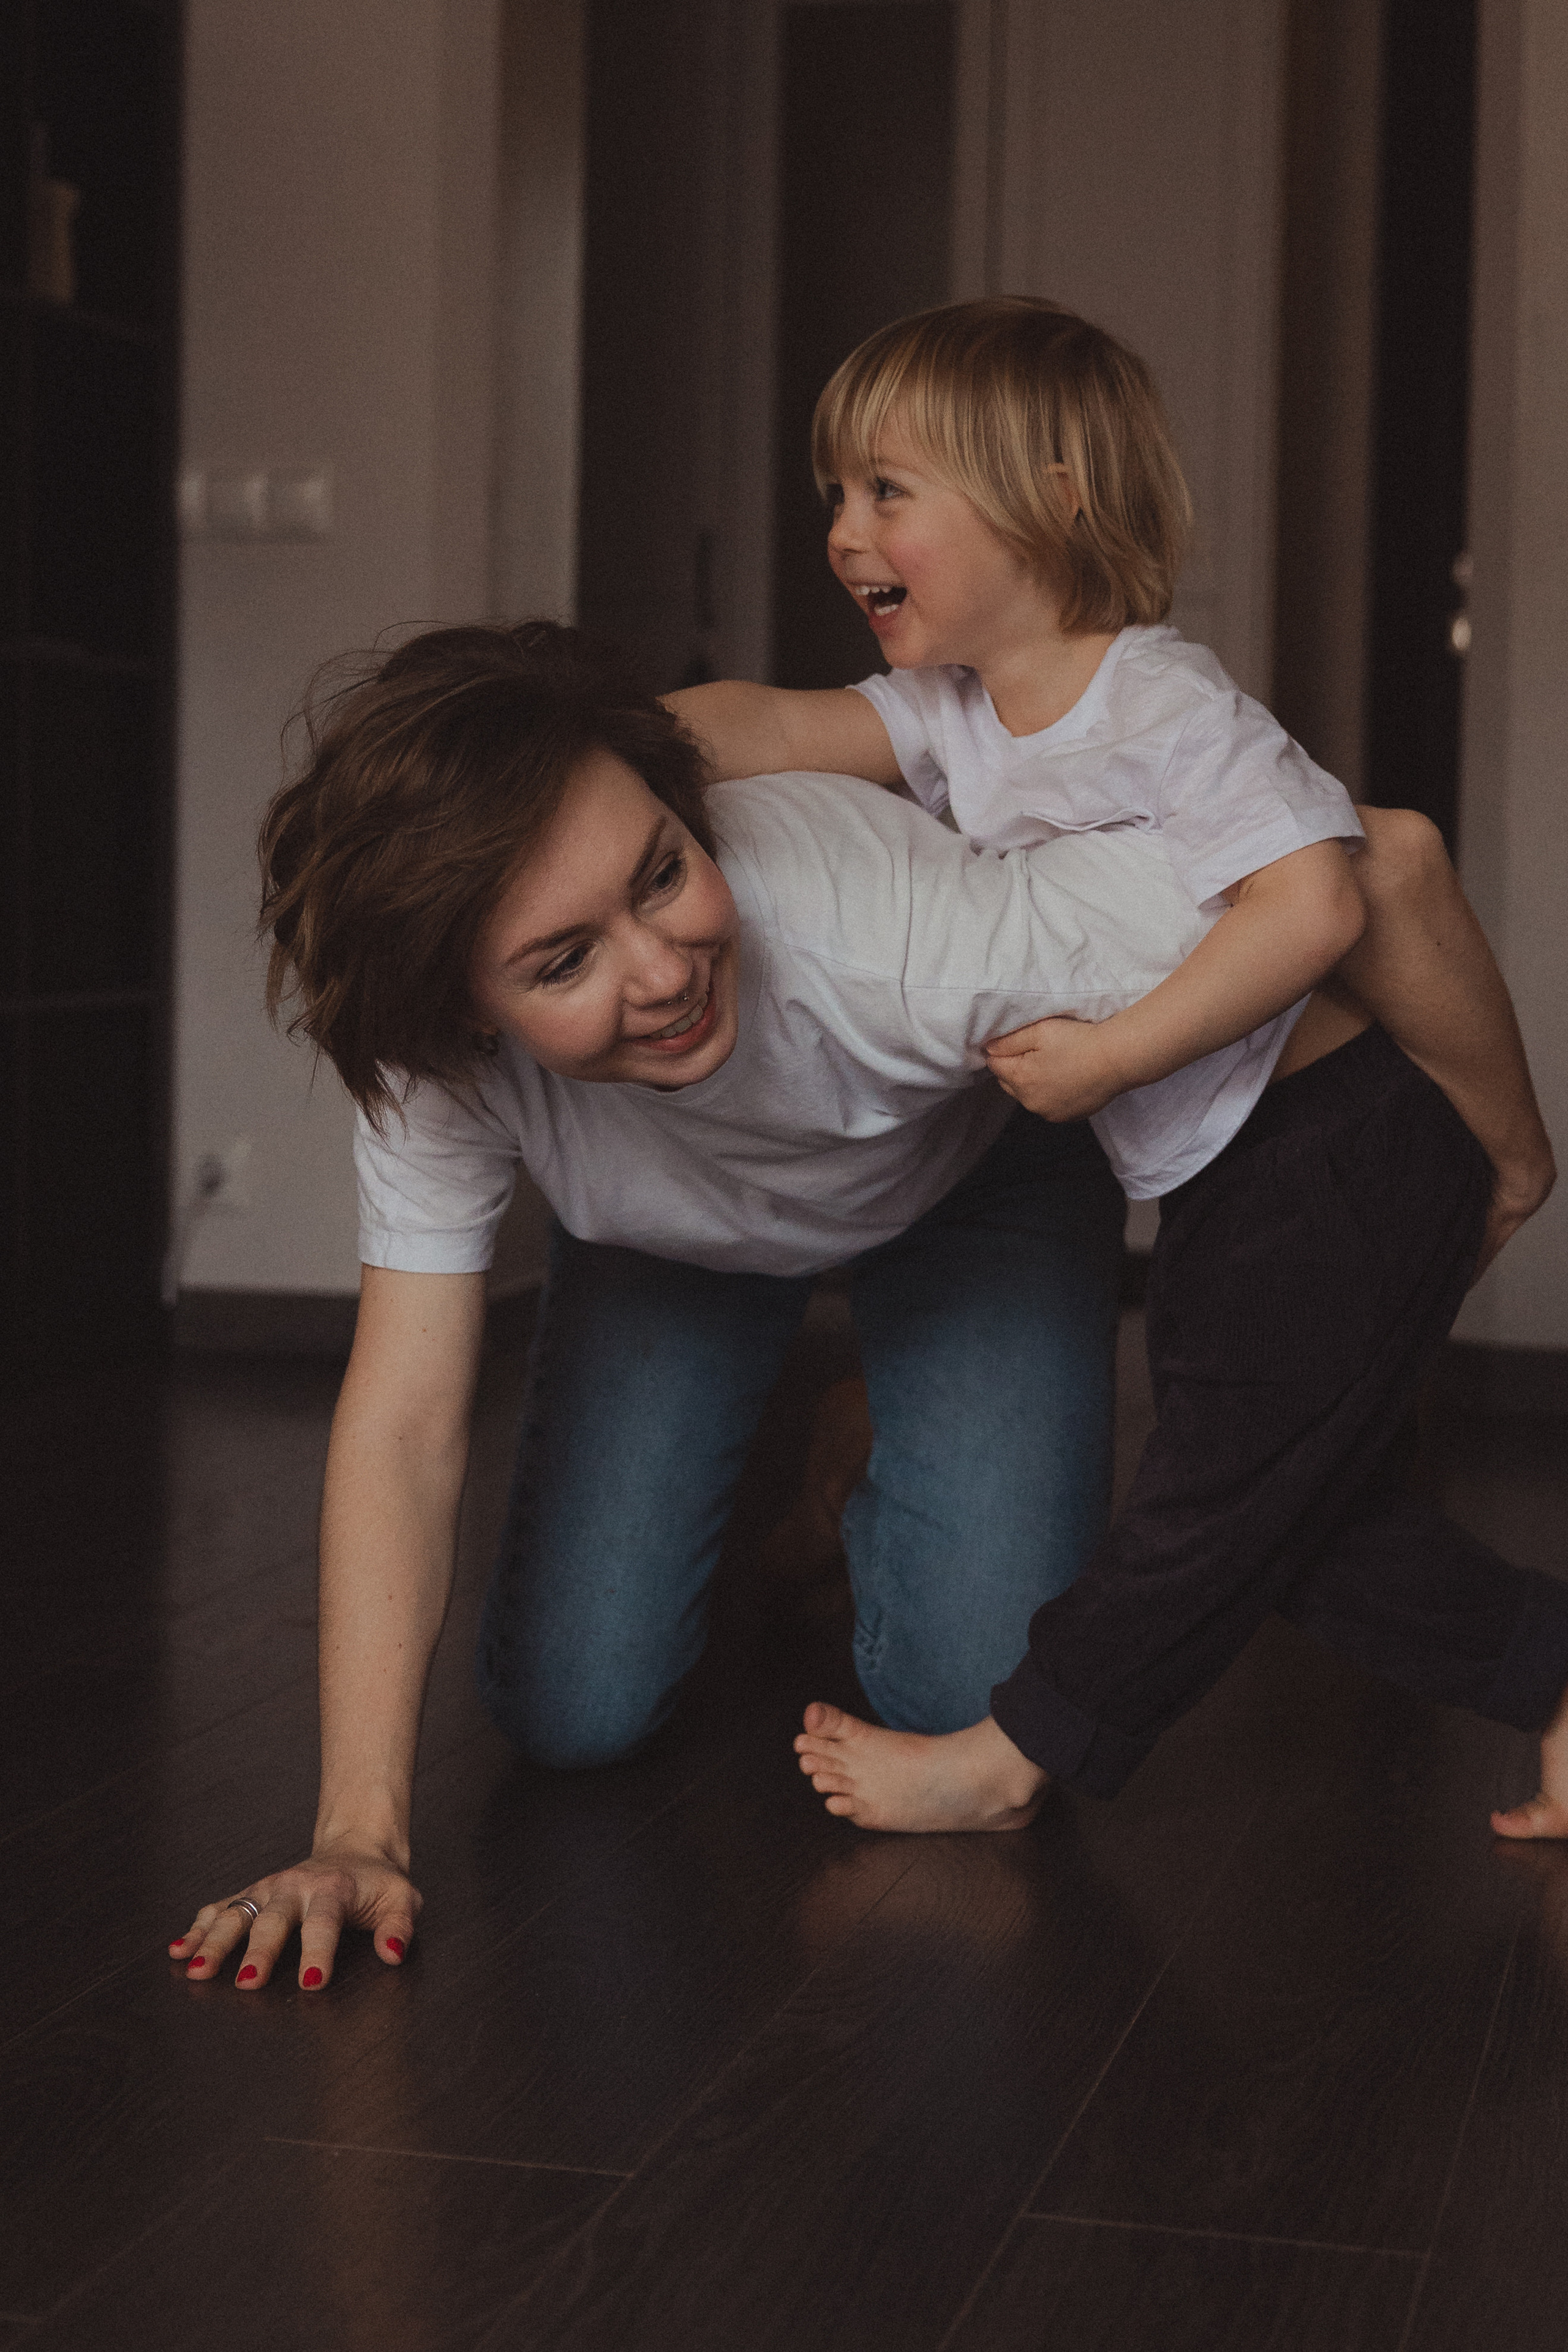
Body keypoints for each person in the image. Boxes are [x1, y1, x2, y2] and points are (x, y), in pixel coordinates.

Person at [168, 619, 1533, 1994]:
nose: (661, 970)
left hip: (970, 1190)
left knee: (969, 1707)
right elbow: (403, 1412)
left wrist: (1514, 1161)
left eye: (661, 872)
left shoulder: (907, 936)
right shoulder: (432, 1072)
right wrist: (355, 1829)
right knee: (570, 1711)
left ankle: (867, 1415)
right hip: (676, 1247)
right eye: (561, 963)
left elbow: (1385, 861)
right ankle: (834, 1426)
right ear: (459, 1016)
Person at [656, 295, 1559, 1836]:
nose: (841, 534)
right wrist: (584, 735)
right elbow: (773, 725)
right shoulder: (957, 715)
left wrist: (1107, 1061)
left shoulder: (1159, 700)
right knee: (1298, 1528)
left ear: (1051, 501)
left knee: (1209, 1502)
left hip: (1327, 1150)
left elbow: (1320, 896)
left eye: (887, 492)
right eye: (836, 498)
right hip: (1237, 1176)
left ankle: (1009, 1756)